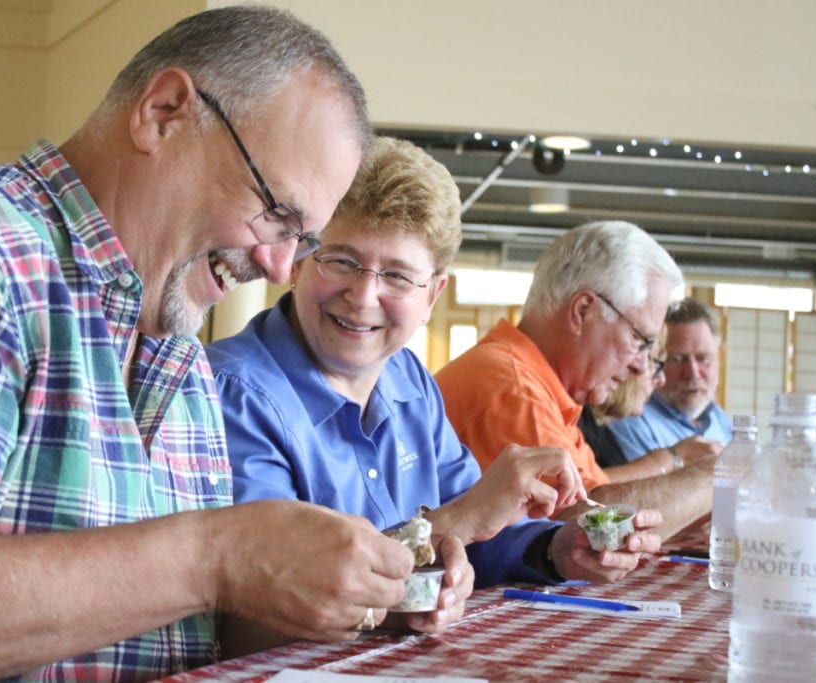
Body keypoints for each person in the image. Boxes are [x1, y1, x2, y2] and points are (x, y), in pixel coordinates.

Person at [0, 7, 423, 681]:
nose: (280, 268)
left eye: (301, 241)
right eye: (277, 213)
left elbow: (186, 628)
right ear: (163, 113)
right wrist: (216, 554)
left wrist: (364, 590)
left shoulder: (178, 349)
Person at [207, 140, 663, 652]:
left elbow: (482, 534)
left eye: (398, 276)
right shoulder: (232, 392)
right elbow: (266, 600)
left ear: (432, 296)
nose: (363, 297)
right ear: (297, 262)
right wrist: (453, 522)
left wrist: (561, 549)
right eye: (341, 261)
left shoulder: (408, 379)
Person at [435, 221, 713, 539]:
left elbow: (600, 498)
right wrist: (714, 476)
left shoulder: (551, 391)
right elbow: (583, 528)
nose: (641, 365)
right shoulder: (512, 387)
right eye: (640, 340)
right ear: (582, 311)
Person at [610, 298, 731, 461]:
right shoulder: (633, 421)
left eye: (704, 358)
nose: (693, 372)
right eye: (676, 359)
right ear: (653, 359)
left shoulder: (718, 417)